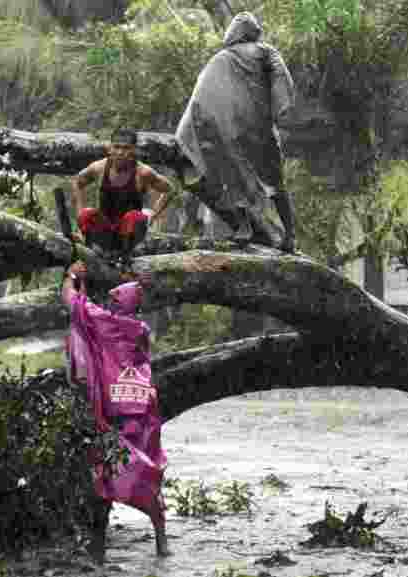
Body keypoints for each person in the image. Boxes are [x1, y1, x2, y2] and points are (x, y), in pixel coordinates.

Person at [63, 261, 169, 559]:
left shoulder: (106, 325)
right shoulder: (141, 330)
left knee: (103, 483)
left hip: (113, 420)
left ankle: (97, 549)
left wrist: (72, 276)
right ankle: (161, 543)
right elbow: (87, 308)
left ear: (120, 305)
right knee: (142, 477)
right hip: (142, 416)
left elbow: (72, 303)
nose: (106, 304)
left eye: (112, 300)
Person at [174, 12, 298, 252]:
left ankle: (246, 228)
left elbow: (201, 96)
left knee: (234, 178)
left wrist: (192, 129)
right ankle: (287, 235)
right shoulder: (265, 50)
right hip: (258, 127)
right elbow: (282, 78)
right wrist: (280, 108)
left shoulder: (222, 58)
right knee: (274, 183)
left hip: (233, 130)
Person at [71, 128, 172, 256]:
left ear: (134, 150)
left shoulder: (143, 172)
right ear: (109, 148)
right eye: (116, 147)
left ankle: (124, 255)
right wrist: (80, 212)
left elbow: (169, 190)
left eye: (126, 148)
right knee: (87, 215)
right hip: (105, 228)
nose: (120, 152)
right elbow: (77, 182)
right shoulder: (99, 168)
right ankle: (96, 250)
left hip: (129, 232)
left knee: (136, 216)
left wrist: (154, 216)